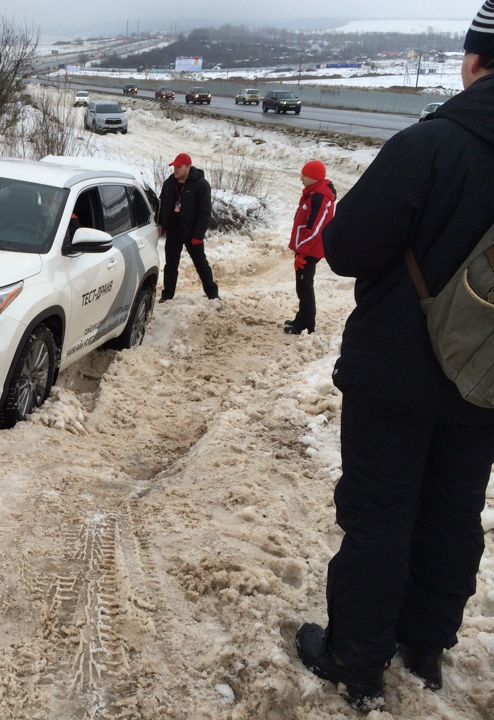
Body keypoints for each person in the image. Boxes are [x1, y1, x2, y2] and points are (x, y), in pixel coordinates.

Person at [295, 1, 494, 711]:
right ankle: (426, 643)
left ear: (474, 61)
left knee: (380, 516)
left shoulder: (428, 147)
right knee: (453, 511)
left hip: (397, 371)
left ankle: (357, 658)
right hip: (485, 380)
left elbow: (345, 249)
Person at [284, 160, 336, 335]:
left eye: (304, 175)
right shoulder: (313, 194)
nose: (301, 178)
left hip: (310, 250)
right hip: (306, 249)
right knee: (302, 285)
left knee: (305, 286)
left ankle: (306, 325)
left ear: (313, 177)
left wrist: (303, 252)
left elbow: (315, 229)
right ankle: (301, 318)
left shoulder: (320, 197)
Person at [157, 153, 219, 301]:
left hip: (192, 232)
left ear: (188, 166)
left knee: (200, 263)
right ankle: (167, 295)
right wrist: (161, 225)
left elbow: (204, 212)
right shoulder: (169, 183)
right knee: (170, 265)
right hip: (173, 230)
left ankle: (212, 294)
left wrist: (198, 235)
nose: (175, 170)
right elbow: (162, 205)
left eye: (179, 167)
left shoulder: (201, 185)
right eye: (174, 167)